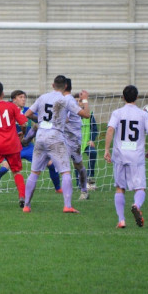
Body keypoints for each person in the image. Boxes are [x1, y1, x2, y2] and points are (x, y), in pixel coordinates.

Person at [22, 75, 90, 214]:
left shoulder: (42, 97)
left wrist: (39, 120)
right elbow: (86, 115)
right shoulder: (65, 100)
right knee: (65, 172)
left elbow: (28, 113)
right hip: (56, 138)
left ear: (53, 85)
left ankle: (27, 206)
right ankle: (67, 205)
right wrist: (85, 99)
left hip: (40, 137)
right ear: (65, 86)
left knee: (34, 173)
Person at [0, 90, 61, 193]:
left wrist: (34, 120)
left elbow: (41, 120)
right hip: (12, 147)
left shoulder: (29, 111)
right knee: (4, 168)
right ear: (14, 99)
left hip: (28, 147)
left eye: (24, 97)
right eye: (20, 97)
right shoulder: (8, 111)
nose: (23, 99)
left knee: (51, 164)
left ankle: (58, 188)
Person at [104, 85, 148, 228]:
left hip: (119, 154)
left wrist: (107, 149)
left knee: (120, 187)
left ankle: (121, 220)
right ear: (137, 97)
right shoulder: (143, 114)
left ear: (123, 97)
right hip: (136, 156)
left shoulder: (117, 113)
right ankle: (136, 205)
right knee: (140, 188)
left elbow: (110, 129)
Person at [62, 79, 89, 200]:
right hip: (66, 137)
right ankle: (80, 192)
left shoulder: (67, 101)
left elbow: (67, 119)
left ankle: (82, 191)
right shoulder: (70, 100)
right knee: (65, 166)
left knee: (75, 166)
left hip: (72, 139)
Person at [76, 92, 98, 190]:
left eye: (80, 101)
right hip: (75, 144)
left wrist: (92, 139)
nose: (78, 103)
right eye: (76, 101)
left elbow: (95, 129)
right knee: (76, 160)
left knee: (93, 153)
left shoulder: (89, 114)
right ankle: (79, 183)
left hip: (86, 142)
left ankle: (90, 177)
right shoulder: (72, 114)